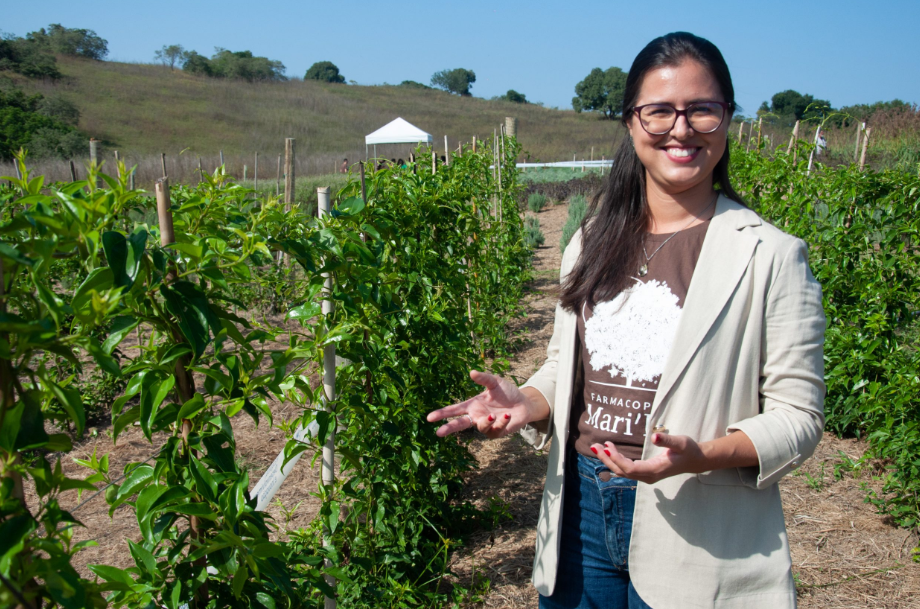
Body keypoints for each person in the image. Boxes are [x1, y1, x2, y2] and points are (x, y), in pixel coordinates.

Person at [427, 31, 825, 609]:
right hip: (580, 510)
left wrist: (702, 454)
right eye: (659, 110)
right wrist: (529, 402)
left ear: (727, 118)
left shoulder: (769, 254)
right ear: (631, 122)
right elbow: (570, 366)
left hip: (698, 519)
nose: (680, 128)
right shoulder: (592, 240)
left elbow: (799, 415)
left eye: (702, 110)